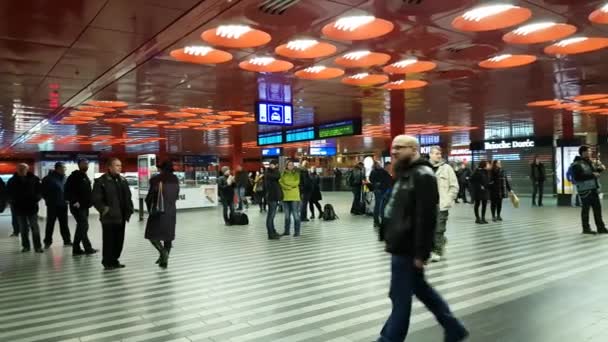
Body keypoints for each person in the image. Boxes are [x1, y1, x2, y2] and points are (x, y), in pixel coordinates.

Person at [377, 135, 468, 342]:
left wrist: (421, 252)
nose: (394, 151)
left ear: (414, 149)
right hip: (400, 245)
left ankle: (389, 339)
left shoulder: (423, 174)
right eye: (393, 148)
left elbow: (426, 217)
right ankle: (454, 327)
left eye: (400, 148)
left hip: (408, 248)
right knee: (419, 290)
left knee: (400, 299)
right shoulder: (406, 173)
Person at [92, 158, 134, 270]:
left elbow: (128, 197)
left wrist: (129, 209)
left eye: (120, 165)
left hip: (121, 216)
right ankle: (107, 262)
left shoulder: (122, 180)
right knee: (109, 241)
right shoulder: (101, 181)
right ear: (109, 167)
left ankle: (115, 260)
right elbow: (96, 198)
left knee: (119, 241)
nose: (119, 167)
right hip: (109, 217)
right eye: (117, 165)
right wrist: (104, 209)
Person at [145, 161, 180, 268]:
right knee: (168, 237)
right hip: (171, 211)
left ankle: (163, 253)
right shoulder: (175, 179)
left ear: (161, 169)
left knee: (151, 235)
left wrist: (149, 208)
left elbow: (149, 197)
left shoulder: (155, 179)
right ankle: (164, 262)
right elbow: (176, 196)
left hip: (158, 212)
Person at [428, 146, 459, 262]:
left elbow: (454, 186)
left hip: (441, 204)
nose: (439, 155)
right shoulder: (425, 168)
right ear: (430, 155)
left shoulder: (447, 168)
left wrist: (448, 199)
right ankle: (440, 242)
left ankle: (437, 251)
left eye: (440, 153)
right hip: (428, 205)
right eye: (436, 153)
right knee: (429, 229)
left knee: (439, 229)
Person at [570, 146, 607, 235]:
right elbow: (578, 177)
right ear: (583, 152)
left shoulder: (590, 162)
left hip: (593, 189)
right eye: (588, 151)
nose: (590, 153)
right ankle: (586, 228)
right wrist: (592, 175)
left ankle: (601, 228)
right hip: (585, 191)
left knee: (597, 209)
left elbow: (595, 172)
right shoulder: (576, 164)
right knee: (585, 210)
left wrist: (601, 168)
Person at [7, 164, 43, 253]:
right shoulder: (12, 181)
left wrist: (37, 198)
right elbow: (8, 193)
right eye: (20, 168)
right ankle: (26, 246)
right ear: (17, 169)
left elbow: (40, 190)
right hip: (19, 208)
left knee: (35, 228)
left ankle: (38, 247)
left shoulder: (34, 179)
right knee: (23, 229)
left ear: (27, 169)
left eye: (23, 168)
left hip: (32, 207)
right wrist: (12, 201)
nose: (21, 170)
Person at [65, 159, 97, 256]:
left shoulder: (84, 176)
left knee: (82, 227)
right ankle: (86, 248)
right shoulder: (74, 177)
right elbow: (68, 190)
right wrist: (74, 201)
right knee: (83, 226)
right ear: (79, 165)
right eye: (84, 164)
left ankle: (77, 249)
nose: (86, 165)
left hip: (84, 206)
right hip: (78, 207)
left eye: (87, 163)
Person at [42, 162, 72, 248]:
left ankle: (67, 241)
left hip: (63, 205)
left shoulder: (65, 178)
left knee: (64, 224)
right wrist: (48, 200)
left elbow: (68, 190)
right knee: (50, 224)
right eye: (64, 168)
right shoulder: (48, 179)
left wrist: (68, 199)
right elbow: (43, 192)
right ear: (58, 168)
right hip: (52, 205)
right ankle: (47, 242)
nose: (65, 169)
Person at [280, 160, 301, 237]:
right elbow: (281, 183)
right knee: (287, 215)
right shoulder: (283, 174)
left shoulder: (296, 174)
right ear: (286, 166)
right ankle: (286, 231)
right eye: (289, 165)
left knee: (295, 214)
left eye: (292, 165)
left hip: (295, 196)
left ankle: (297, 231)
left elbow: (296, 182)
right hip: (285, 196)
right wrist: (289, 187)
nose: (290, 166)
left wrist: (286, 184)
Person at [369, 161, 393, 228]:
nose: (389, 168)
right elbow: (375, 180)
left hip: (383, 191)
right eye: (388, 167)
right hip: (380, 191)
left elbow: (388, 181)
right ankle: (377, 221)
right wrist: (377, 184)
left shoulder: (382, 172)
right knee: (379, 206)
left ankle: (380, 221)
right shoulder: (379, 172)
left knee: (382, 206)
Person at [264, 160, 282, 240]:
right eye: (271, 164)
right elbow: (277, 176)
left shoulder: (271, 172)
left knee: (272, 215)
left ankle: (273, 231)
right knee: (270, 216)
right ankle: (270, 234)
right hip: (271, 197)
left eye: (273, 165)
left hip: (274, 197)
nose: (272, 166)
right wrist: (275, 169)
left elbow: (278, 175)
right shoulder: (268, 173)